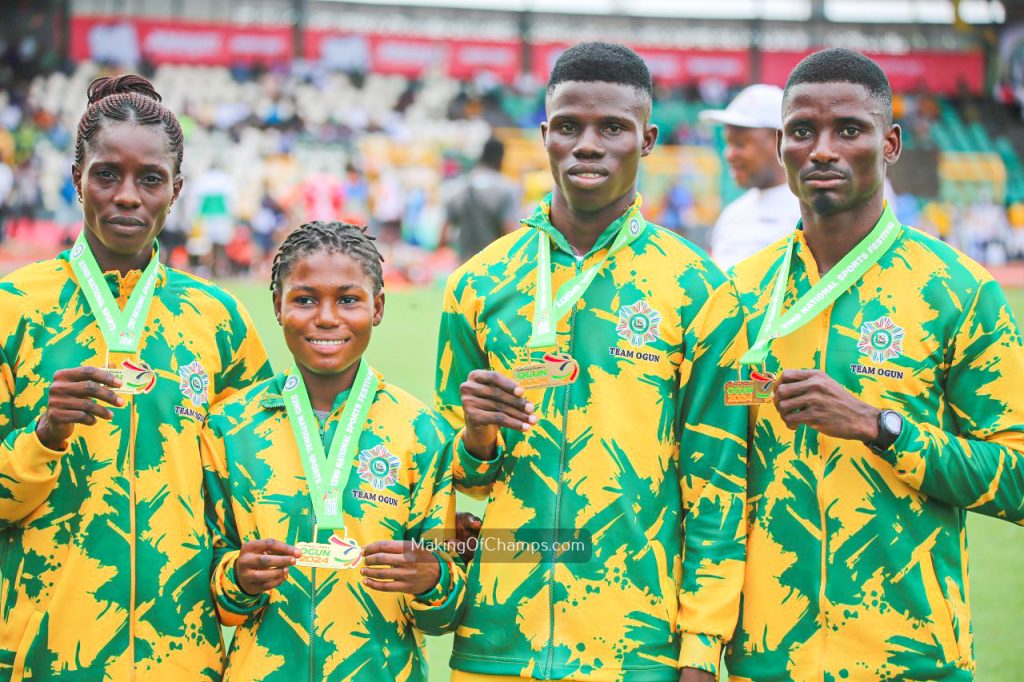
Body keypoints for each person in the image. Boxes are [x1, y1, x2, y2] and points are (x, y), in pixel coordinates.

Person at [435, 42, 748, 681]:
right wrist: (475, 440)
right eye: (570, 127)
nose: (588, 144)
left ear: (649, 138)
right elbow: (450, 486)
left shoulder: (698, 289)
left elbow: (719, 480)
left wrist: (701, 652)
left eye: (613, 127)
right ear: (545, 135)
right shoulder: (476, 284)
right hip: (499, 642)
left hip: (637, 649)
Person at [724, 48, 1024, 681]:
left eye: (849, 130)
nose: (823, 149)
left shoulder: (958, 291)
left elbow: (1017, 477)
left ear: (889, 144)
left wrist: (880, 427)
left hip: (911, 659)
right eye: (803, 131)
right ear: (782, 147)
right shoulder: (736, 297)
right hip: (769, 660)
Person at [0, 75, 272, 679]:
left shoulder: (218, 318)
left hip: (182, 654)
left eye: (150, 179)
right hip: (43, 652)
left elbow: (257, 489)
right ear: (76, 181)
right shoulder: (14, 307)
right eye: (106, 175)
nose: (128, 196)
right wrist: (42, 436)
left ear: (175, 191)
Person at [202, 221, 466, 681]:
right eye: (304, 299)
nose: (326, 317)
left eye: (348, 299)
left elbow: (443, 615)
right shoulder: (230, 427)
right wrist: (238, 578)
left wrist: (434, 580)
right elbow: (209, 589)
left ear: (377, 307)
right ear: (278, 307)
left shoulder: (421, 431)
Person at [700, 84, 800, 271]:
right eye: (727, 143)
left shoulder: (809, 215)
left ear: (780, 141)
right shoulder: (732, 215)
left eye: (740, 144)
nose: (729, 154)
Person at [441, 137, 520, 263]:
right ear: (501, 159)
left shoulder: (459, 187)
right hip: (493, 270)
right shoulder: (506, 189)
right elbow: (511, 233)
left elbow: (443, 236)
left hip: (464, 268)